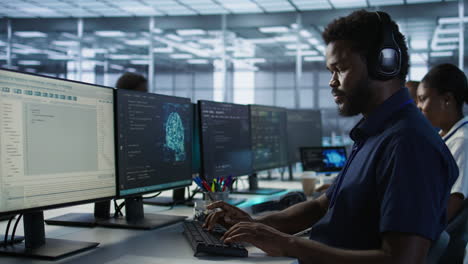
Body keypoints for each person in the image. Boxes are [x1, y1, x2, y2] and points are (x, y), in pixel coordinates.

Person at [204, 10, 458, 263]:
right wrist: (252, 224)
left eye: (341, 69)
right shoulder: (374, 134)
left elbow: (401, 260)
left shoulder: (409, 143)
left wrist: (288, 245)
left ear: (385, 65)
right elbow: (320, 206)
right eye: (330, 70)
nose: (331, 82)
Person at [417, 63, 468, 221]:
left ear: (447, 99)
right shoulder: (443, 138)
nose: (418, 106)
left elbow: (453, 202)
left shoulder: (462, 142)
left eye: (422, 99)